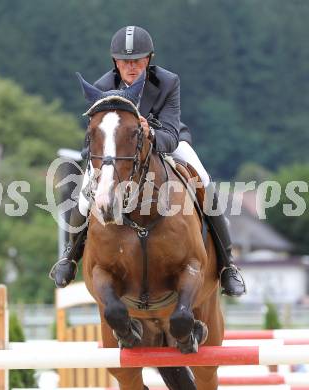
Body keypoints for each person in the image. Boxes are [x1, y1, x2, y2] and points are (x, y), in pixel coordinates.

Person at [50, 26, 245, 297]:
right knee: (86, 191)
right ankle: (69, 256)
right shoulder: (102, 87)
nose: (131, 66)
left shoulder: (168, 82)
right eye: (124, 61)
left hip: (166, 141)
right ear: (115, 62)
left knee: (203, 179)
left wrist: (149, 133)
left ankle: (227, 266)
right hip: (119, 153)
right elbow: (96, 135)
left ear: (149, 59)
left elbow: (171, 134)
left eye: (137, 60)